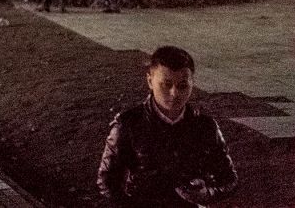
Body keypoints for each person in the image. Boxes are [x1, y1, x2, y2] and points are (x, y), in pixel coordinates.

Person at [97, 45, 237, 207]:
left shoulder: (205, 126)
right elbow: (107, 180)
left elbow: (229, 178)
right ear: (150, 81)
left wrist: (207, 193)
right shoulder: (129, 125)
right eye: (166, 84)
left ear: (193, 83)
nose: (174, 93)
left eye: (182, 85)